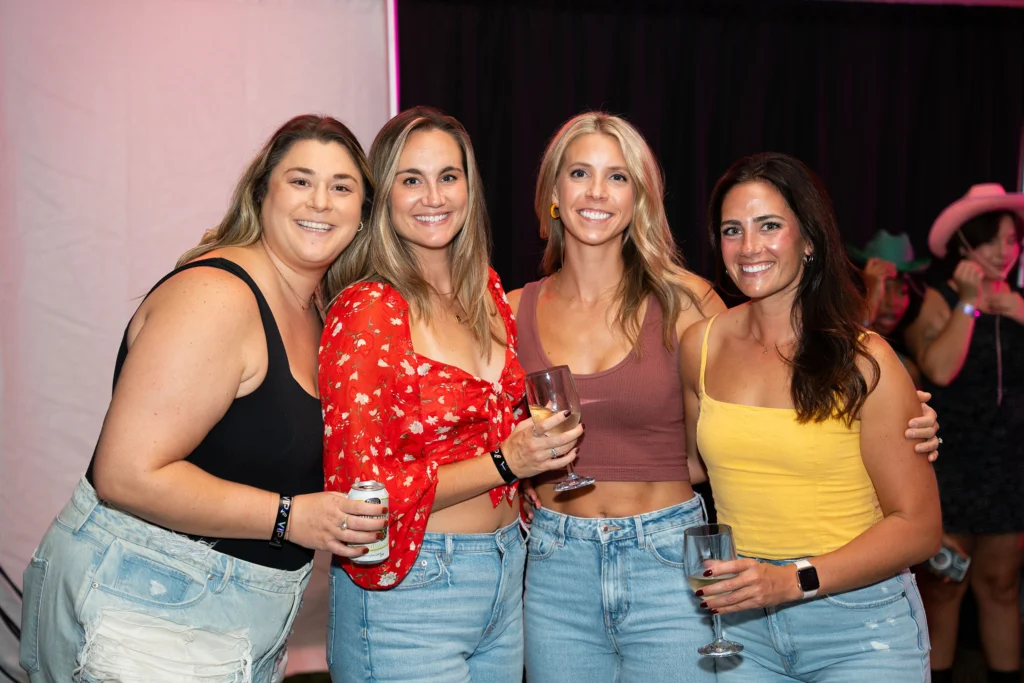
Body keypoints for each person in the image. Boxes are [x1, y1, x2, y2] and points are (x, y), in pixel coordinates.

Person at [510, 113, 941, 683]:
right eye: (580, 172)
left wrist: (909, 419)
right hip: (563, 564)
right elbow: (476, 430)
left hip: (675, 559)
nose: (595, 191)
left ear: (640, 196)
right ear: (553, 193)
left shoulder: (690, 305)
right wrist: (515, 479)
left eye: (617, 176)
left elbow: (769, 400)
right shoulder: (509, 310)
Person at [19, 115, 388, 682]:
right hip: (147, 604)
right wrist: (291, 517)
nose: (321, 201)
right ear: (262, 193)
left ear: (362, 215)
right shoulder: (217, 297)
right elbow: (127, 474)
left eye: (342, 187)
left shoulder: (316, 312)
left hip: (228, 618)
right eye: (300, 181)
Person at [319, 107, 580, 683]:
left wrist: (521, 476)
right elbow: (359, 497)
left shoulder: (484, 287)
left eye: (448, 176)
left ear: (469, 187)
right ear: (382, 194)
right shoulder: (368, 309)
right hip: (413, 590)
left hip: (507, 571)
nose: (432, 196)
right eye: (410, 179)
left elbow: (493, 428)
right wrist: (505, 462)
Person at [681, 152, 942, 681]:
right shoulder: (700, 346)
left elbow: (920, 528)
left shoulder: (866, 360)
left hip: (860, 626)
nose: (749, 247)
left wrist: (791, 580)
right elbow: (687, 468)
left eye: (769, 226)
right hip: (742, 628)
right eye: (733, 230)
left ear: (810, 241)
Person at [904, 183, 1024, 683]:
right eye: (993, 240)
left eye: (1013, 240)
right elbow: (938, 368)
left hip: (1008, 465)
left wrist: (1018, 312)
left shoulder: (1020, 303)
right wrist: (969, 306)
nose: (1005, 251)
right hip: (949, 465)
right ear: (964, 246)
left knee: (1000, 585)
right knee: (944, 586)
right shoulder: (938, 299)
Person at [848, 230, 930, 385]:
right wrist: (870, 301)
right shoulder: (834, 344)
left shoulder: (905, 369)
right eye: (883, 289)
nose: (893, 302)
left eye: (902, 291)